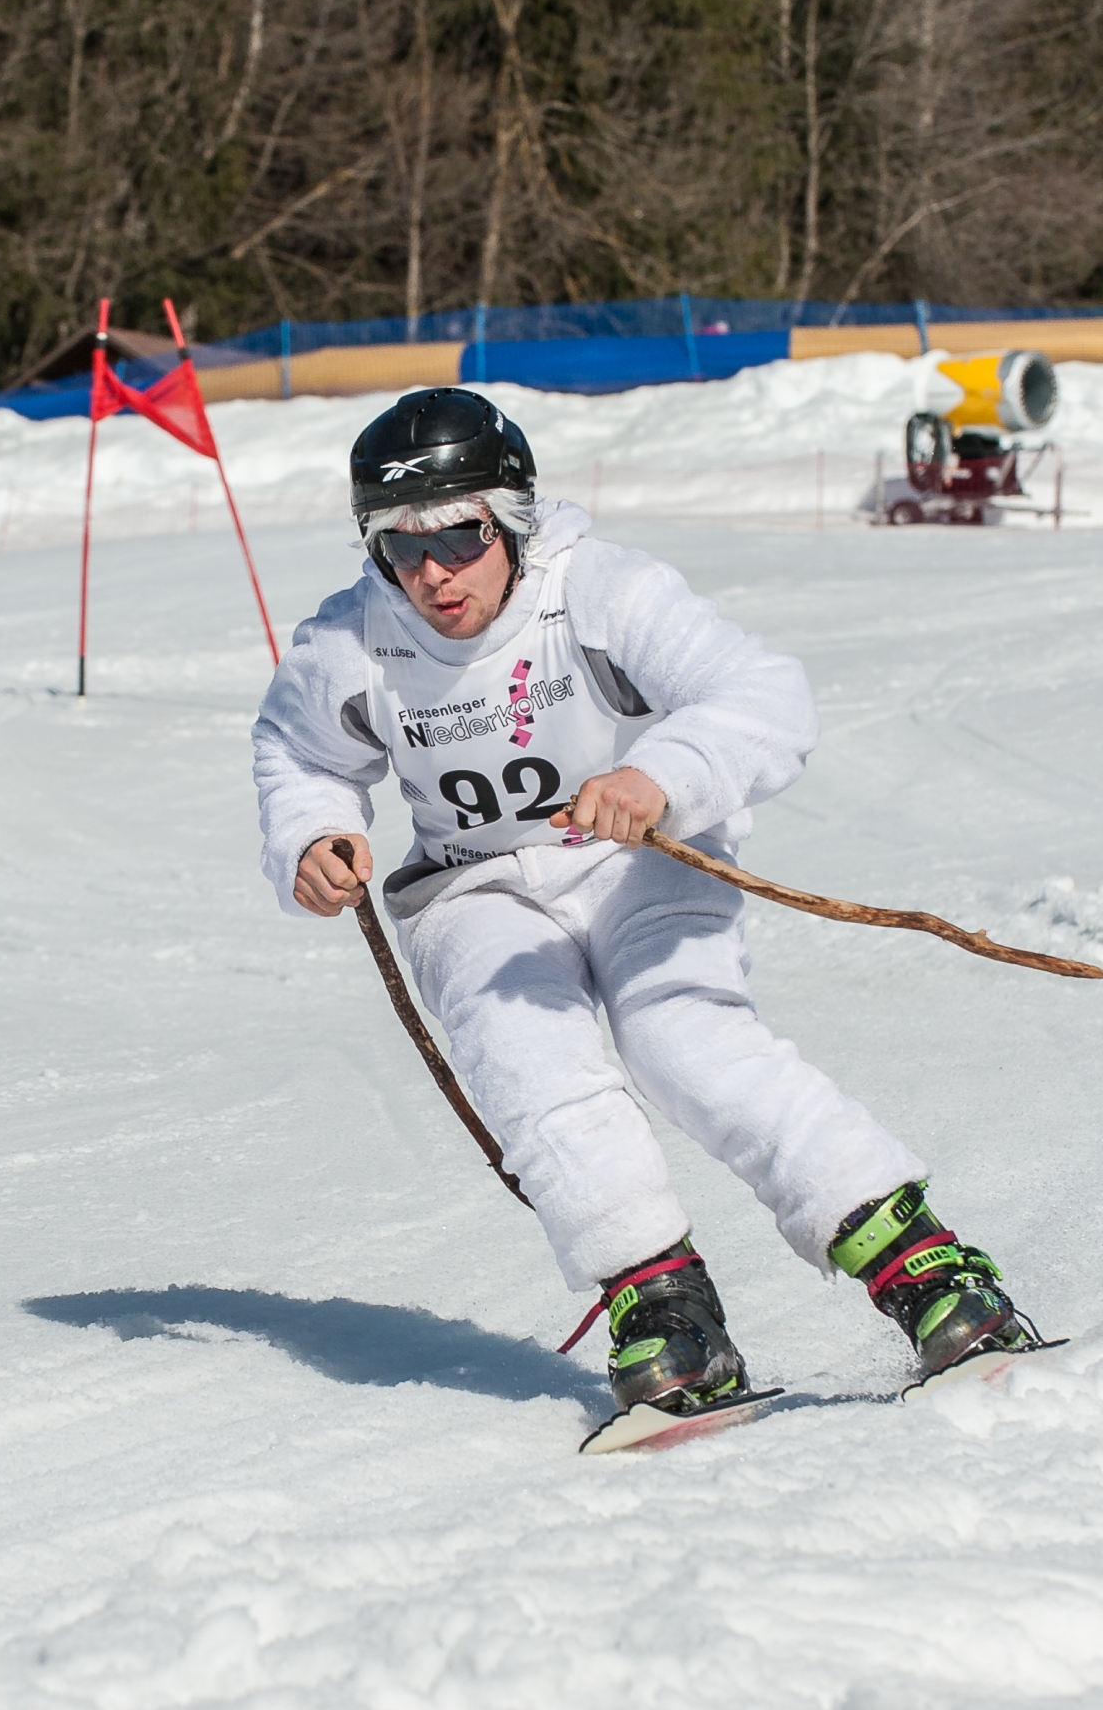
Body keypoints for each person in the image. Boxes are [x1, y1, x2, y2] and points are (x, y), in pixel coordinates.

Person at [250, 387, 1036, 1418]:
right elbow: (295, 751)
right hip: (473, 887)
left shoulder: (598, 591)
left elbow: (761, 693)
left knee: (684, 1040)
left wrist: (657, 777)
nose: (434, 573)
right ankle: (664, 1312)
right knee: (535, 1070)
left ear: (513, 517)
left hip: (639, 859)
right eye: (401, 546)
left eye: (459, 534)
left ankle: (927, 1270)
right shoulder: (353, 643)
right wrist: (311, 837)